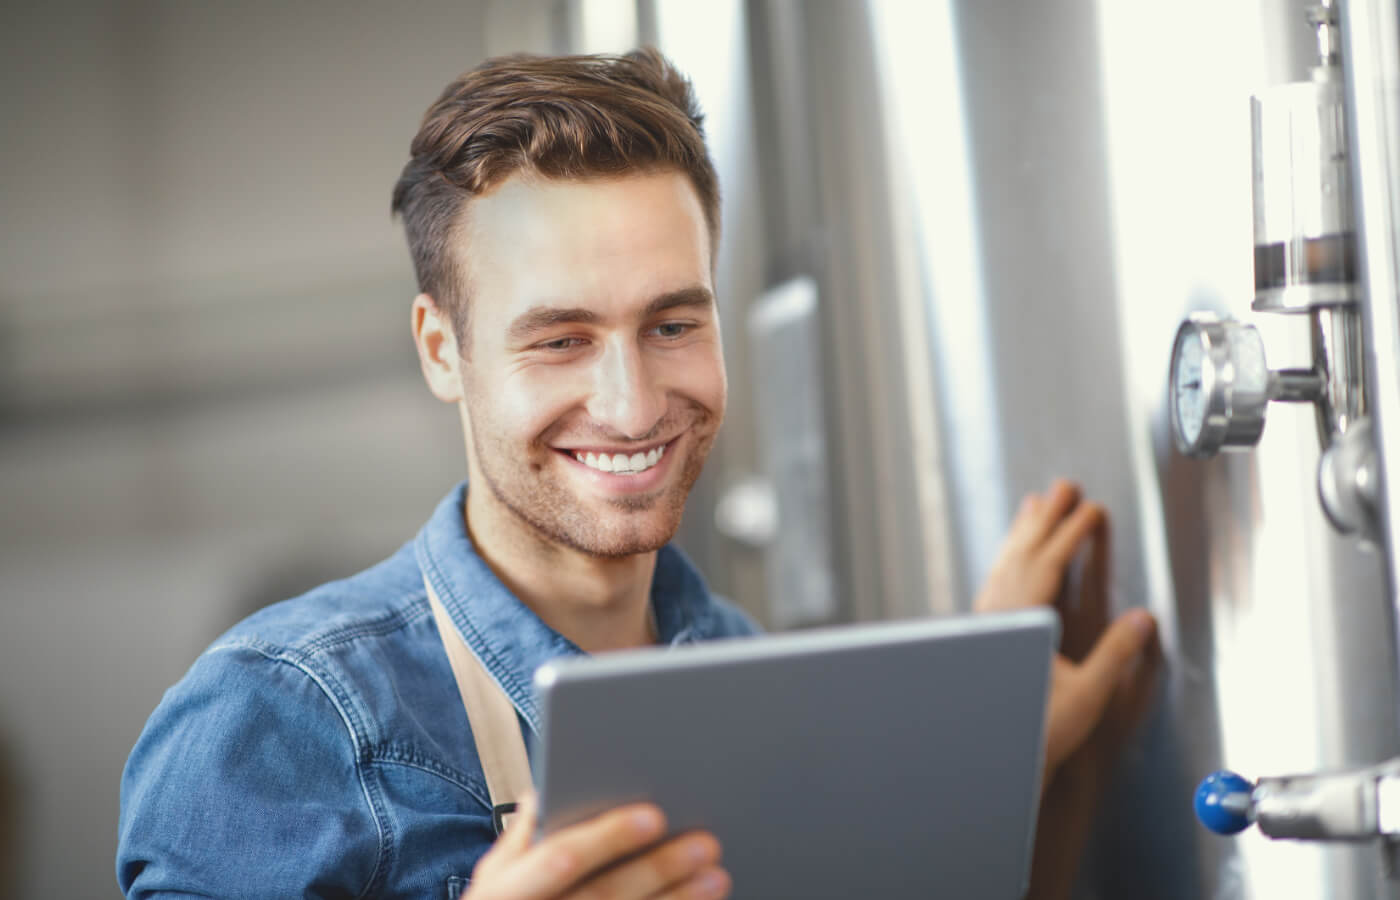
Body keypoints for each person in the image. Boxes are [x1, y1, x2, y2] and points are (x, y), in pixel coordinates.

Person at [116, 48, 1157, 900]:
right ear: (442, 350)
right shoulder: (281, 720)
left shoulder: (753, 674)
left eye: (670, 323)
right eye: (560, 340)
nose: (631, 404)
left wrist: (992, 755)